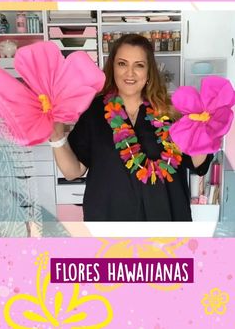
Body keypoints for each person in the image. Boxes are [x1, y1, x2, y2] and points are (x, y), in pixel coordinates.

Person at [50, 34, 213, 221]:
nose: (130, 73)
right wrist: (56, 137)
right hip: (109, 221)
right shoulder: (94, 111)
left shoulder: (170, 111)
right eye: (122, 64)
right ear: (113, 67)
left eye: (139, 65)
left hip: (164, 221)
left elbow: (197, 164)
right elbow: (73, 171)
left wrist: (204, 130)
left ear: (149, 72)